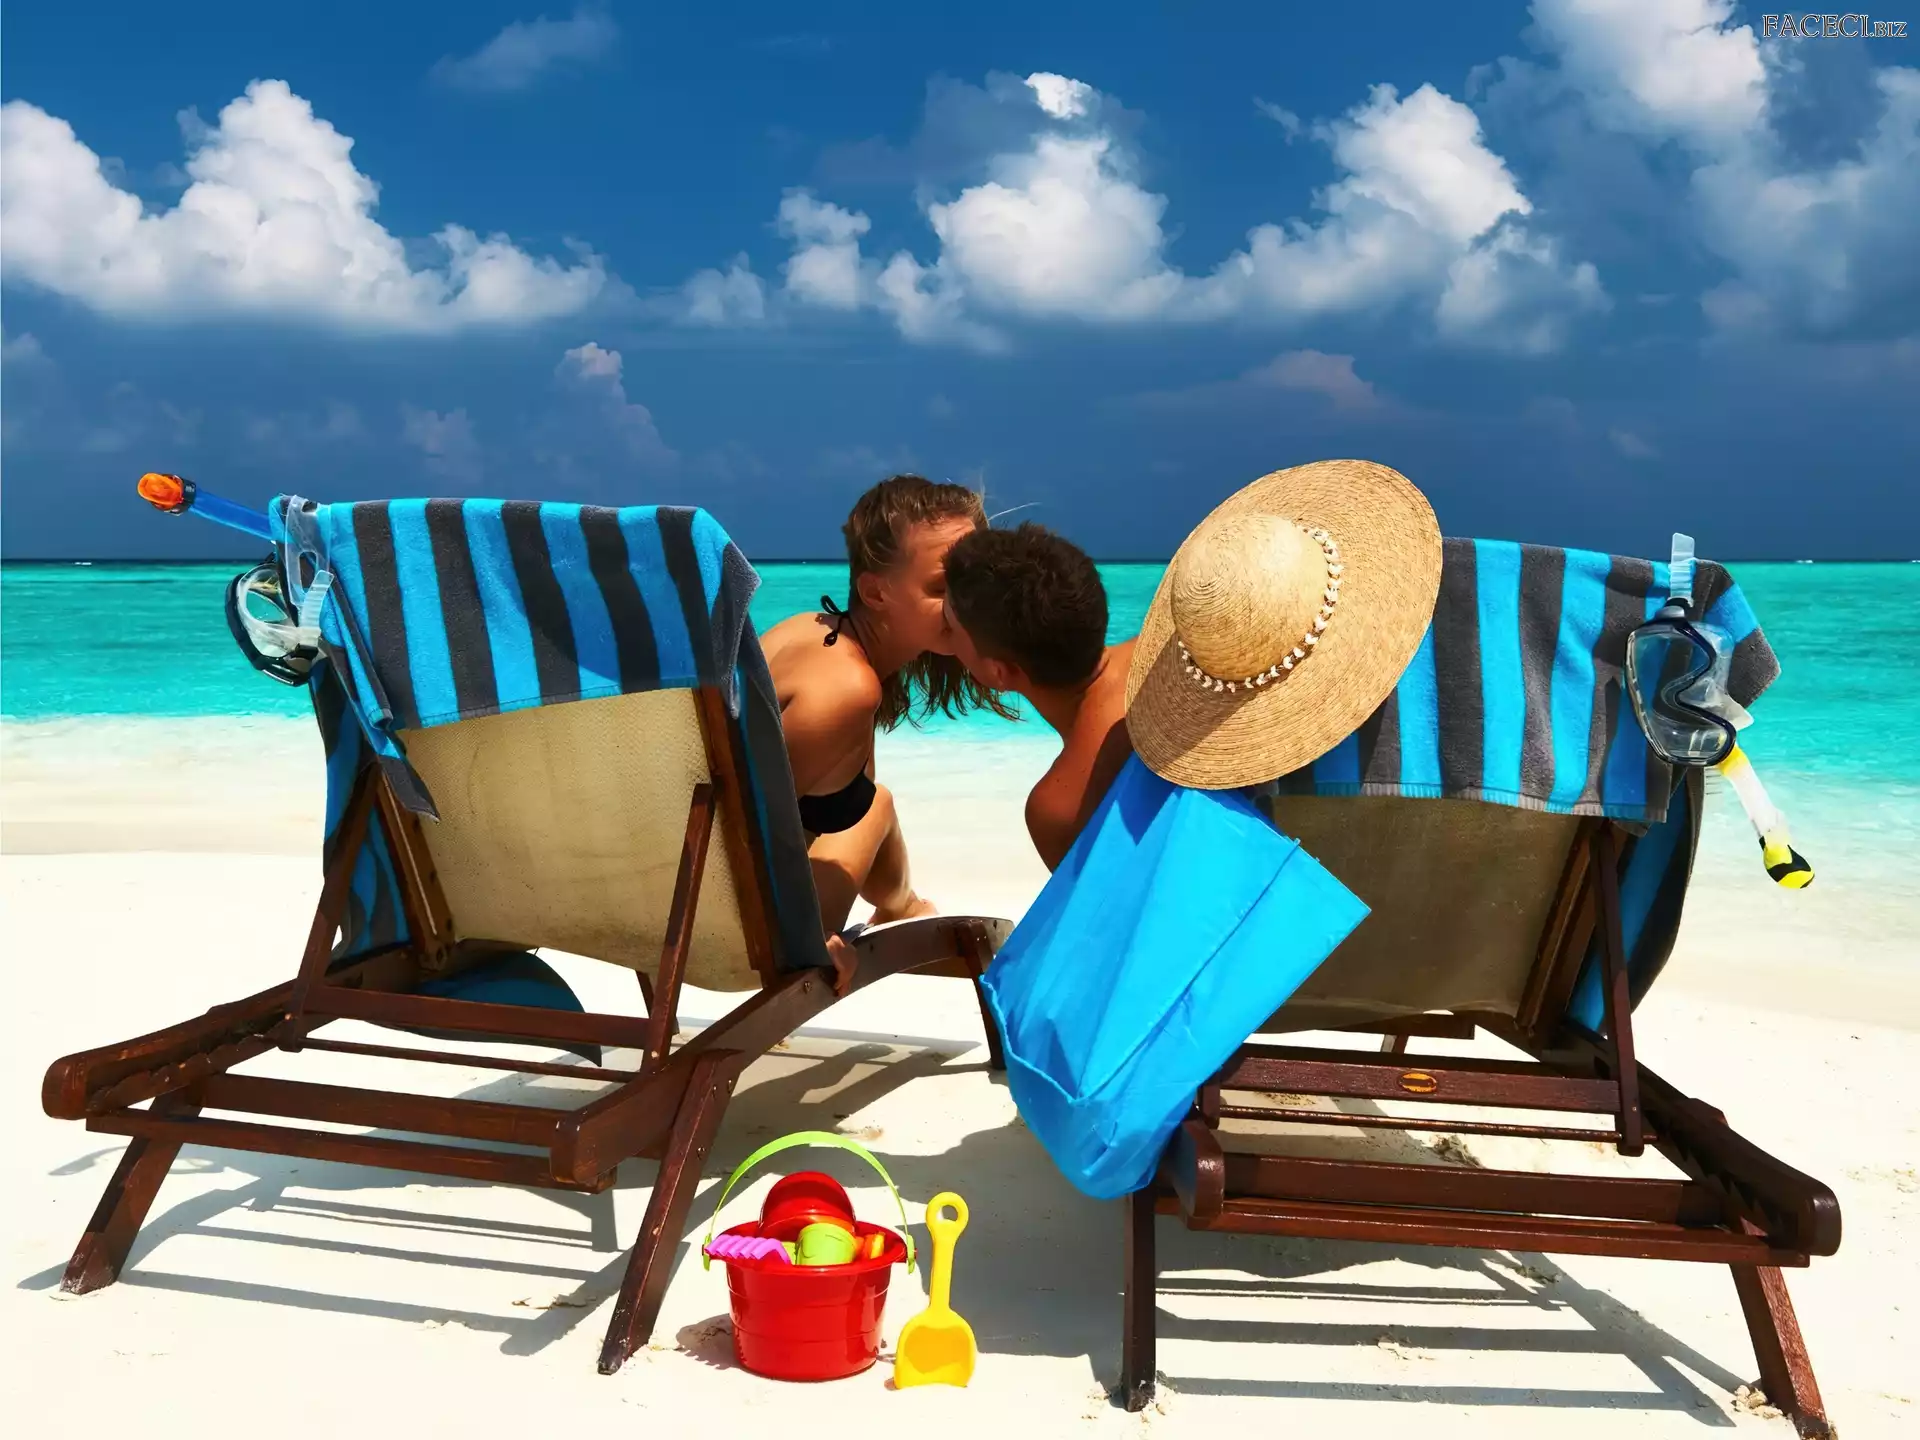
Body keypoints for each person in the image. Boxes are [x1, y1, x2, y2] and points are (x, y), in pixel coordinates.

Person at [762, 475, 1013, 991]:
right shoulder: (847, 688)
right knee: (871, 802)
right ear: (876, 591)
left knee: (872, 800)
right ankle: (903, 912)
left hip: (682, 900)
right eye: (941, 588)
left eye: (973, 582)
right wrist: (810, 942)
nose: (966, 603)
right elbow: (737, 832)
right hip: (746, 930)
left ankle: (904, 909)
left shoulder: (809, 629)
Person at [941, 522, 1136, 872]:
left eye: (950, 627)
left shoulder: (1060, 809)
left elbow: (1106, 904)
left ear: (999, 673)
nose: (943, 635)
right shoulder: (1170, 649)